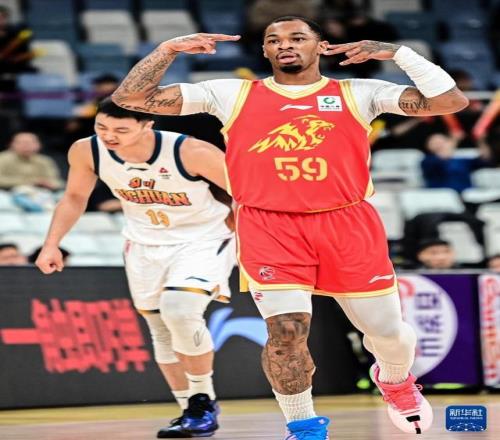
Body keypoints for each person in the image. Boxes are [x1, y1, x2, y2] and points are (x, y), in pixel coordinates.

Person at [112, 16, 468, 438]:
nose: (285, 45)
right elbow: (131, 98)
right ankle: (304, 426)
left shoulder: (358, 92)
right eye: (274, 40)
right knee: (285, 332)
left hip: (346, 223)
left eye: (297, 37)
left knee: (389, 336)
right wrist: (167, 50)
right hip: (269, 226)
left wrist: (400, 54)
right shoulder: (231, 93)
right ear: (264, 51)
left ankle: (395, 381)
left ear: (320, 46)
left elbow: (450, 102)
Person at [35, 98, 235, 438]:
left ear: (147, 125)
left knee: (180, 309)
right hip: (143, 243)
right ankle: (190, 411)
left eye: (121, 129)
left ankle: (203, 399)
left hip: (203, 238)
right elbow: (74, 198)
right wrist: (51, 243)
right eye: (101, 127)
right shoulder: (87, 150)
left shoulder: (191, 151)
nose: (109, 136)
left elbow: (247, 194)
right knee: (160, 328)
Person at [421, 133, 491, 193]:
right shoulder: (427, 161)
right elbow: (442, 158)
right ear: (428, 146)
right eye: (435, 143)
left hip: (468, 194)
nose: (440, 145)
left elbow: (486, 159)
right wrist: (455, 140)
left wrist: (481, 141)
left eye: (442, 142)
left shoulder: (462, 160)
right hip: (442, 195)